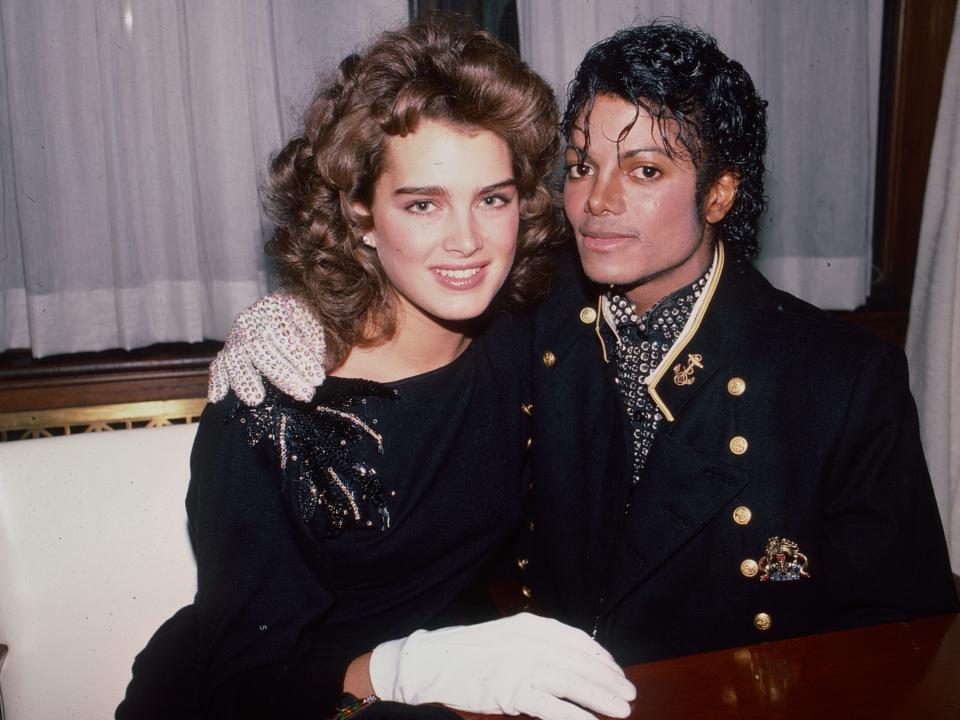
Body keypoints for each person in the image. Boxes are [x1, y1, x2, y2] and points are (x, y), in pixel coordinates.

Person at [209, 20, 958, 675]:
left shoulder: (836, 379)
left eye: (645, 170)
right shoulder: (532, 312)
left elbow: (907, 644)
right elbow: (408, 296)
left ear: (721, 194)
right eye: (579, 165)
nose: (597, 201)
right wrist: (295, 312)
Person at [117, 19, 636, 720]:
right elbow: (242, 687)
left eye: (493, 199)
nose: (467, 241)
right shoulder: (273, 412)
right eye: (423, 204)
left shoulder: (529, 326)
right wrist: (402, 668)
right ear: (361, 214)